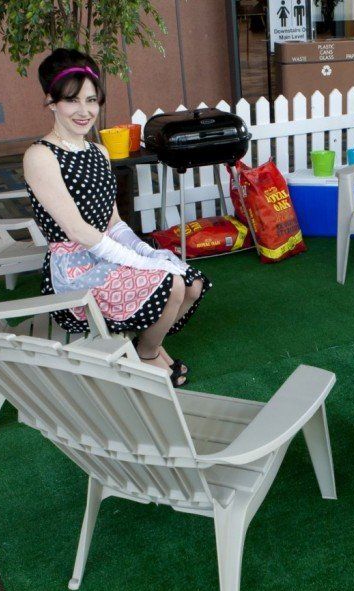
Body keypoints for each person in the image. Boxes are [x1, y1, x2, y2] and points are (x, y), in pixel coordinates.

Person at [23, 49, 210, 386]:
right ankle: (149, 354)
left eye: (92, 100)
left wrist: (147, 254)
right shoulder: (40, 155)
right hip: (75, 268)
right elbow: (78, 231)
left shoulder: (99, 151)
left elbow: (114, 224)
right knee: (171, 283)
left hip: (106, 251)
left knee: (192, 283)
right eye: (72, 101)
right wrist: (142, 265)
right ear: (51, 101)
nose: (85, 111)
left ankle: (145, 347)